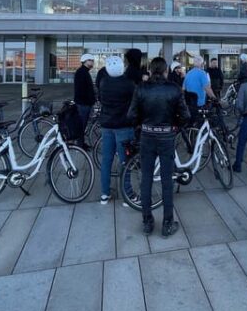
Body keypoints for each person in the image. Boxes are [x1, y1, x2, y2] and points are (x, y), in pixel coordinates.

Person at [127, 57, 190, 237]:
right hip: (166, 136)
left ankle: (147, 222)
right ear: (165, 70)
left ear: (150, 70)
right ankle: (167, 223)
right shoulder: (174, 89)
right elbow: (185, 116)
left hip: (147, 136)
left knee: (146, 179)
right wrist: (175, 125)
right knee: (167, 180)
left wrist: (141, 125)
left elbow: (131, 115)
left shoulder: (141, 88)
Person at [97, 55, 136, 205]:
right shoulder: (129, 84)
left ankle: (104, 194)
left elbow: (101, 99)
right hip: (123, 126)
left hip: (107, 126)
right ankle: (127, 196)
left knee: (106, 160)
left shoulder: (103, 82)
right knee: (125, 161)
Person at [183, 55, 216, 124]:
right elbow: (207, 88)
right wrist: (214, 98)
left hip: (189, 104)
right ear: (202, 64)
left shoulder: (188, 73)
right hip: (199, 103)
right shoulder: (202, 73)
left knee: (192, 122)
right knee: (201, 122)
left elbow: (183, 89)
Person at [73, 53, 96, 147]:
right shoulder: (82, 72)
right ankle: (80, 144)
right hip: (83, 104)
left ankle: (81, 143)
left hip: (84, 103)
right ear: (85, 61)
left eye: (92, 60)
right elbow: (82, 90)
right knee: (82, 125)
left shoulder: (84, 72)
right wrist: (90, 99)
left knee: (83, 124)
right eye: (91, 60)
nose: (92, 62)